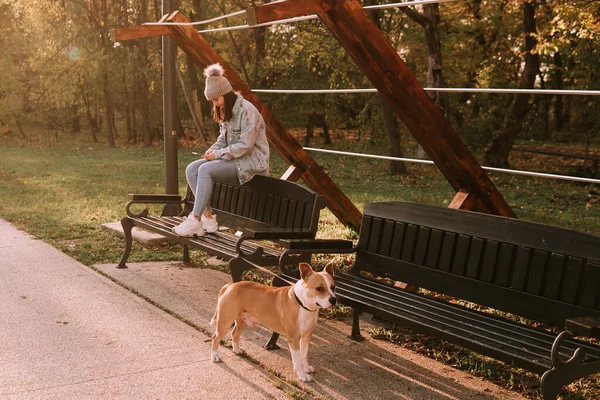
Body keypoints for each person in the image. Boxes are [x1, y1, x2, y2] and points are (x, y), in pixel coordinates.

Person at [172, 63, 269, 237]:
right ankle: (208, 217)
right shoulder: (227, 111)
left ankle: (195, 219)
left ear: (225, 93)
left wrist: (217, 155)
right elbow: (222, 140)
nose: (215, 104)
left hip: (252, 163)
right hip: (235, 159)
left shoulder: (247, 111)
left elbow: (245, 146)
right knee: (192, 168)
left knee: (205, 169)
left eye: (216, 99)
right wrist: (211, 151)